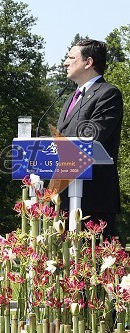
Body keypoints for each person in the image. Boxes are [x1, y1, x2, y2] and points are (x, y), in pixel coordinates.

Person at [56, 39, 123, 237]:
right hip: (65, 198)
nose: (65, 62)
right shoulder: (70, 98)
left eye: (71, 57)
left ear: (88, 62)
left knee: (93, 264)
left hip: (94, 200)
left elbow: (93, 138)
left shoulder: (108, 94)